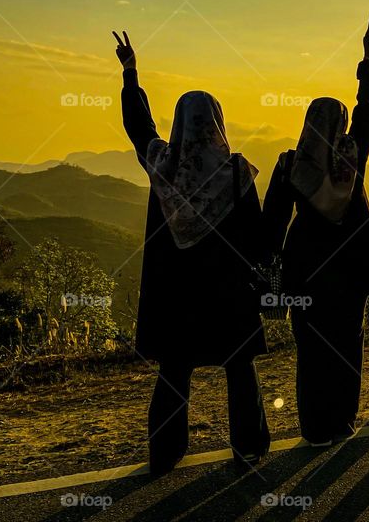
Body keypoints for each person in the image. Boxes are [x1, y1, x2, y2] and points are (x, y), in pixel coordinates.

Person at [114, 30, 269, 475]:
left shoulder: (162, 166)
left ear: (180, 123)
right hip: (228, 294)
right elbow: (257, 237)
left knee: (174, 372)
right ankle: (248, 449)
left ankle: (164, 453)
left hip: (176, 295)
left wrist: (130, 75)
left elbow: (139, 128)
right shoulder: (238, 174)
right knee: (239, 369)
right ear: (218, 122)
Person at [262, 14, 369, 446]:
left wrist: (269, 277)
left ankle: (314, 428)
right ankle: (343, 423)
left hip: (305, 271)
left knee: (311, 351)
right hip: (350, 270)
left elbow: (272, 226)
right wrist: (368, 58)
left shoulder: (289, 164)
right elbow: (366, 112)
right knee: (347, 348)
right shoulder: (350, 159)